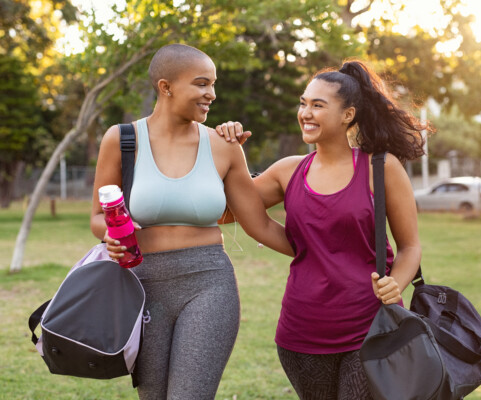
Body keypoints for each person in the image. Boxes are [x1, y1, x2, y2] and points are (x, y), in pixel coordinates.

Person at [90, 43, 294, 400]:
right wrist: (111, 235)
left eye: (213, 85)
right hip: (142, 286)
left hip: (209, 285)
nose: (211, 94)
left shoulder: (223, 145)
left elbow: (258, 224)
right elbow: (96, 216)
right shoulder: (122, 140)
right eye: (201, 84)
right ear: (166, 87)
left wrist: (323, 251)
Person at [217, 59, 429, 399]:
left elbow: (410, 248)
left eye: (318, 105)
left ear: (347, 115)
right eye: (303, 103)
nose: (305, 113)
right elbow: (226, 212)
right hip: (301, 333)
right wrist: (228, 153)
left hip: (371, 327)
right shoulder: (288, 171)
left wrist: (396, 282)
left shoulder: (381, 167)